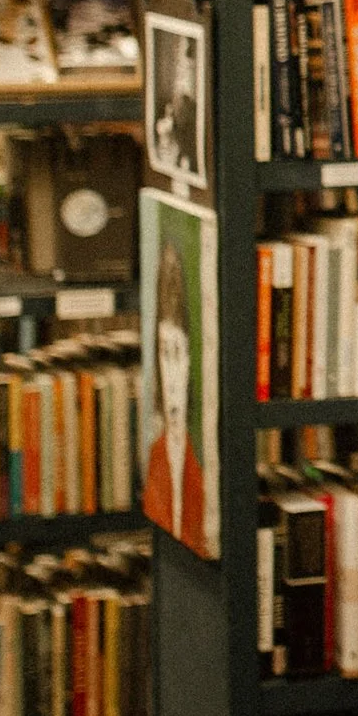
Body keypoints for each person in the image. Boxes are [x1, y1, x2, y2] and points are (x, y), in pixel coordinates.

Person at [141, 229, 208, 551]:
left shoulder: (201, 471)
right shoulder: (154, 458)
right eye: (164, 352)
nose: (171, 372)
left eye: (178, 352)